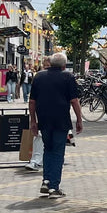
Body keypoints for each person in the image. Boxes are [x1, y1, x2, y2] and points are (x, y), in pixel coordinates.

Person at [28, 52, 84, 199]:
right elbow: (74, 101)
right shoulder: (68, 77)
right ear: (64, 65)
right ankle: (54, 187)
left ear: (51, 63)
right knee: (58, 152)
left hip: (44, 119)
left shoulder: (38, 76)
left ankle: (46, 181)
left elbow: (32, 101)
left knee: (48, 149)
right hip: (61, 120)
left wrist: (33, 121)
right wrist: (79, 119)